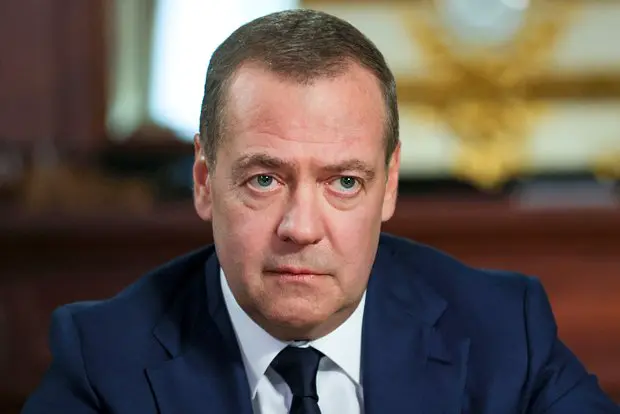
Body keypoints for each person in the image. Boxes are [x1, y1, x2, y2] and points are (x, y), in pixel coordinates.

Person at [22, 8, 619, 414]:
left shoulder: (502, 331)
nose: (302, 229)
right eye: (264, 179)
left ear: (389, 187)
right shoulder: (104, 358)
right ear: (204, 181)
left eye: (344, 182)